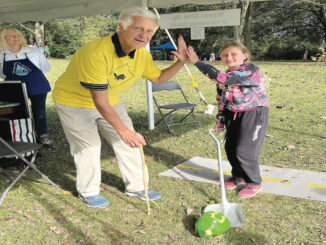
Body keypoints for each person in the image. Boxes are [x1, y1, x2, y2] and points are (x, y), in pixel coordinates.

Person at [52, 7, 188, 208]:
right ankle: (88, 191)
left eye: (150, 31)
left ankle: (137, 187)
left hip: (109, 98)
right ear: (121, 26)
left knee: (130, 143)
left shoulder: (141, 54)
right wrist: (124, 132)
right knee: (90, 146)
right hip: (74, 101)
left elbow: (158, 79)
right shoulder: (96, 53)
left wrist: (180, 62)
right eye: (138, 28)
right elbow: (99, 101)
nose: (144, 35)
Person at [187, 42, 269, 198]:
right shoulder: (224, 76)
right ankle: (238, 176)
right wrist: (220, 120)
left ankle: (254, 181)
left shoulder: (251, 70)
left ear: (245, 55)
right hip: (232, 113)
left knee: (244, 150)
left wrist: (197, 63)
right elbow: (221, 99)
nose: (228, 57)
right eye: (225, 55)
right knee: (230, 148)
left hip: (253, 112)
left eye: (233, 54)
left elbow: (225, 78)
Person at [0, 27, 53, 147]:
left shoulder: (32, 51)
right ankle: (20, 136)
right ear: (3, 39)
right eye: (12, 36)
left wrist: (31, 77)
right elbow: (1, 73)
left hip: (37, 85)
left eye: (18, 35)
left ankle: (42, 135)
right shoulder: (1, 54)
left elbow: (45, 67)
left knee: (39, 111)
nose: (17, 38)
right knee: (16, 111)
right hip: (14, 87)